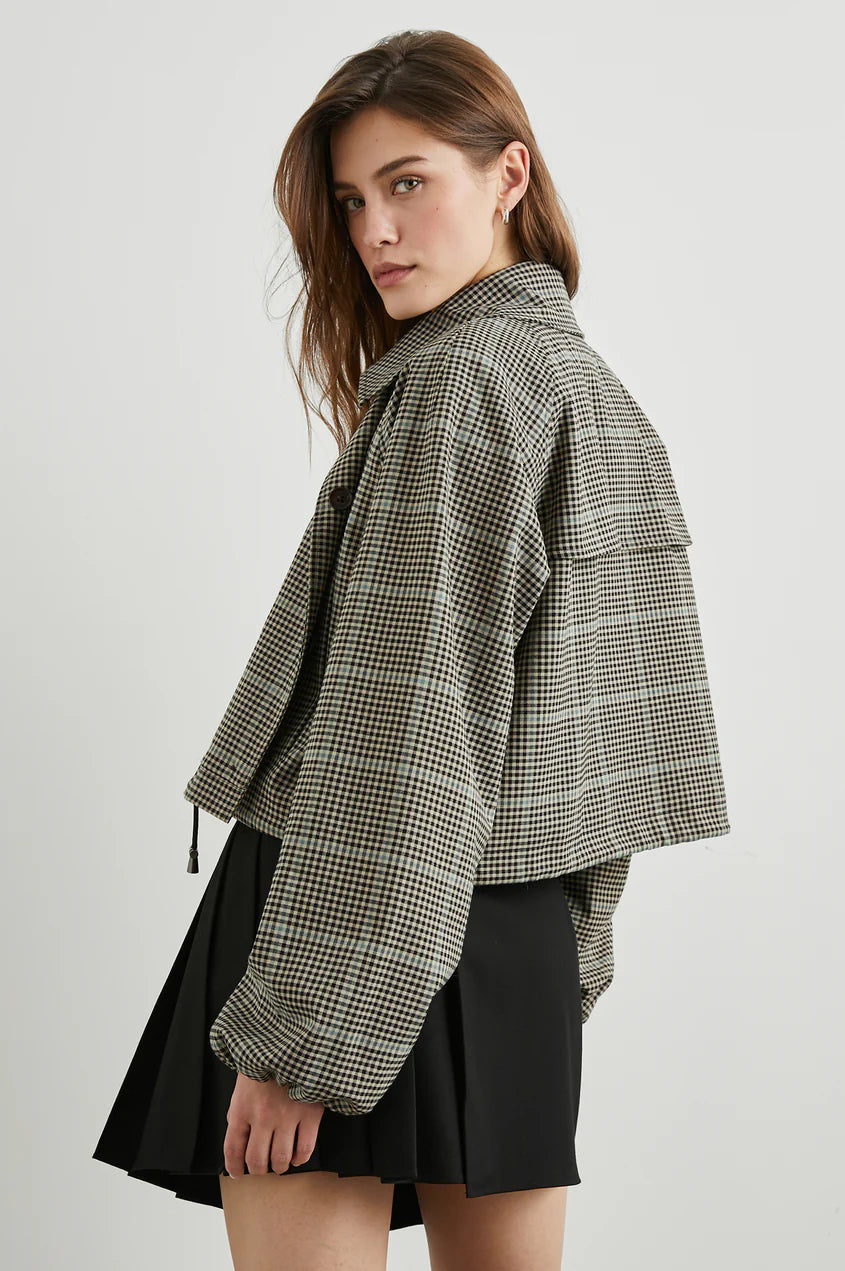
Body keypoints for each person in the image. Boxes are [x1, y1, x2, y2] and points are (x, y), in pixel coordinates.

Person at [92, 29, 730, 1271]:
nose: (374, 231)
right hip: (508, 937)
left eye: (406, 181)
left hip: (345, 912)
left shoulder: (458, 385)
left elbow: (405, 730)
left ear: (507, 175)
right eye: (349, 201)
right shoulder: (585, 386)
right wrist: (557, 962)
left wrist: (301, 1038)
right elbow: (605, 751)